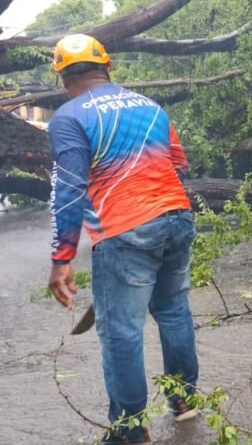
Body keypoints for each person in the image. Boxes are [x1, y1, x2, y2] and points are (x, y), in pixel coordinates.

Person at [46, 34, 198, 444]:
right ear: (107, 67)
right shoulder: (151, 106)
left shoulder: (69, 117)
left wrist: (62, 258)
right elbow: (179, 164)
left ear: (62, 78)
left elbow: (70, 190)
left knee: (121, 332)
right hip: (177, 216)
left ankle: (130, 430)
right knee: (173, 310)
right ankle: (183, 402)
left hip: (125, 230)